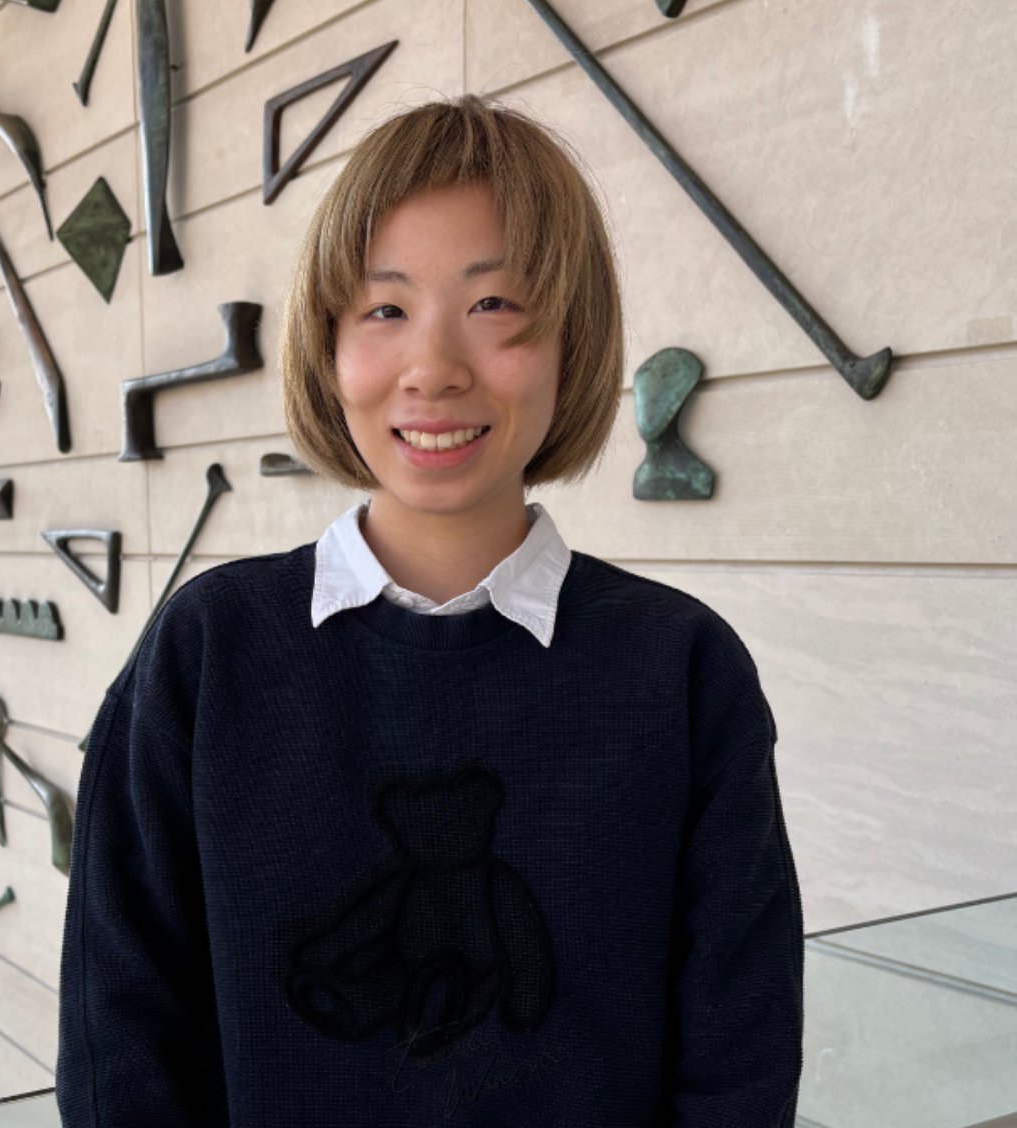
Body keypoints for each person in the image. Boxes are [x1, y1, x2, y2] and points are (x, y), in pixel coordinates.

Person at [56, 94, 804, 1126]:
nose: (435, 368)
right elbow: (118, 1043)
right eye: (385, 308)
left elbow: (740, 1058)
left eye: (495, 307)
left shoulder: (680, 672)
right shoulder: (206, 652)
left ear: (570, 340)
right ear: (327, 344)